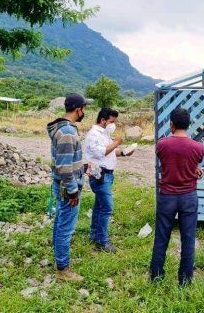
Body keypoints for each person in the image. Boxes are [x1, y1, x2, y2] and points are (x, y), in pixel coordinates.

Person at [149, 107, 204, 286]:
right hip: (189, 196)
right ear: (188, 125)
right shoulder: (198, 147)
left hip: (167, 197)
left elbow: (168, 162)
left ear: (171, 125)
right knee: (188, 239)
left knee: (161, 237)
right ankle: (185, 281)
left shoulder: (162, 144)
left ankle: (156, 276)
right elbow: (191, 163)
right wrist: (194, 169)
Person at [47, 93, 93, 281]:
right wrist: (73, 191)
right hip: (68, 187)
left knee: (61, 221)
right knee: (66, 227)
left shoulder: (65, 129)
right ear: (78, 110)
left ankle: (59, 254)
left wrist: (82, 167)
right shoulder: (67, 132)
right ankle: (63, 269)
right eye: (84, 108)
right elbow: (64, 167)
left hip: (64, 183)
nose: (84, 112)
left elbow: (65, 161)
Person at [84, 108, 133, 253]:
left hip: (107, 175)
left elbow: (110, 151)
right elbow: (101, 152)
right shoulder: (93, 135)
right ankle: (103, 242)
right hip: (100, 176)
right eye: (112, 121)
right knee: (106, 208)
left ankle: (94, 235)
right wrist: (117, 143)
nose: (114, 124)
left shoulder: (105, 134)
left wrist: (124, 152)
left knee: (99, 206)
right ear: (103, 120)